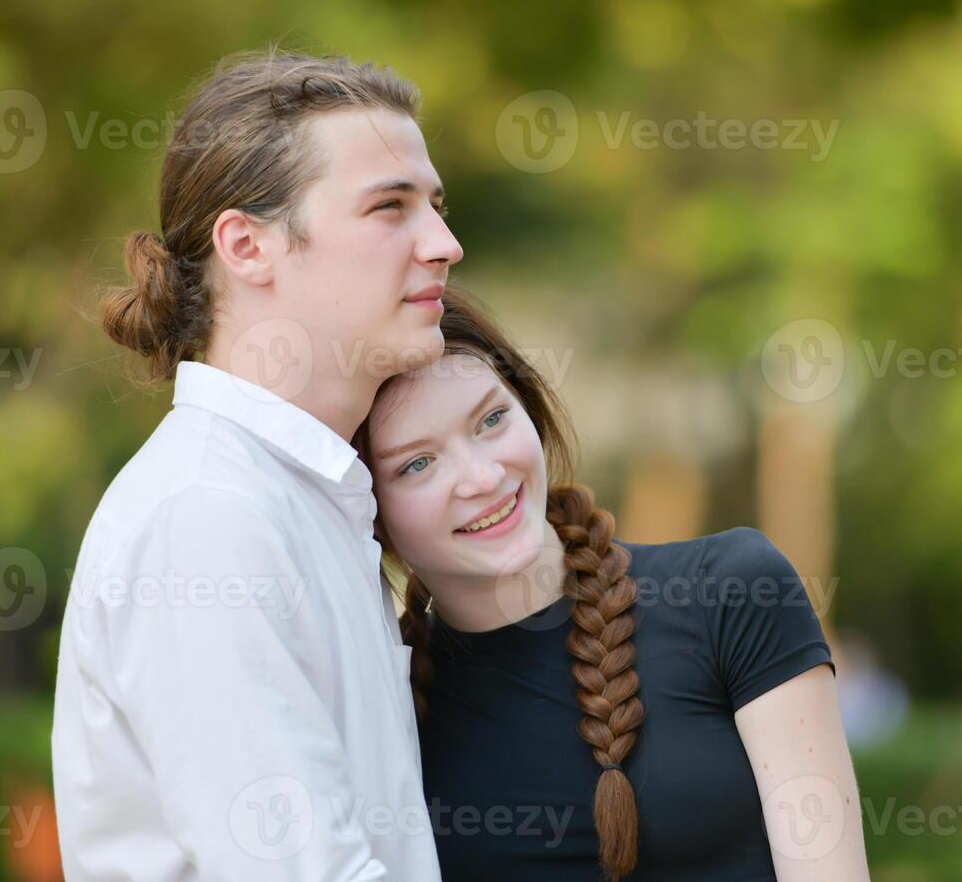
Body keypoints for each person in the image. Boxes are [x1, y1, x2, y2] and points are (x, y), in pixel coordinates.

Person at [51, 49, 463, 880]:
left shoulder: (304, 498)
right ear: (247, 245)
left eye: (436, 205)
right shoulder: (209, 515)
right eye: (390, 208)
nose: (445, 244)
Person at [354, 288, 872, 881]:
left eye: (491, 419)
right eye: (417, 464)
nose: (482, 477)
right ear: (369, 510)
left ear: (530, 411)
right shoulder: (382, 703)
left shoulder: (732, 590)